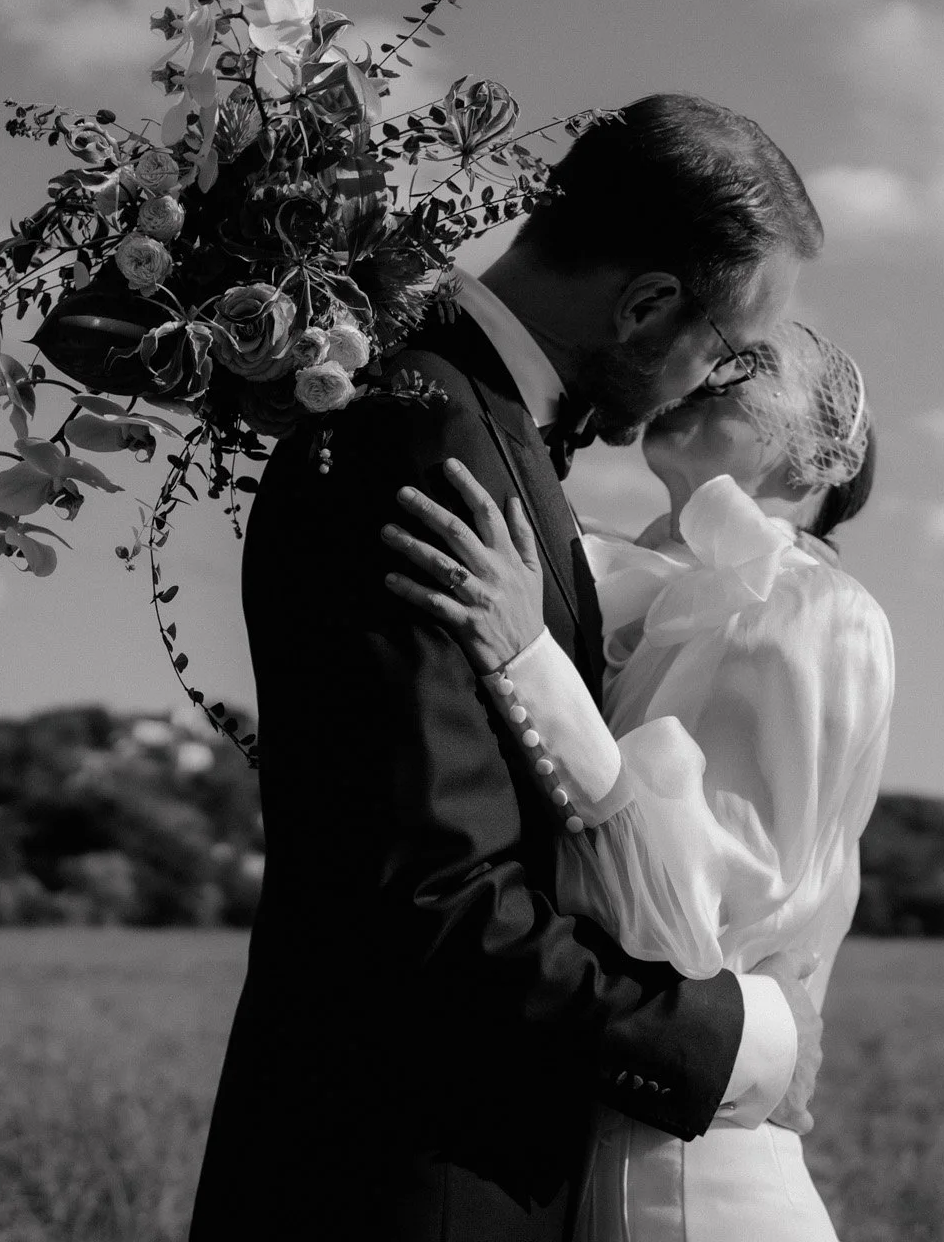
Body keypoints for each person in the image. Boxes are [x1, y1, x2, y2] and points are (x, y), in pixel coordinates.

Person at [189, 94, 830, 1241]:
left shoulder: (463, 422)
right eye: (727, 347)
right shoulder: (424, 443)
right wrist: (727, 1042)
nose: (712, 380)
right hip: (401, 1185)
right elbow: (431, 899)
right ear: (646, 304)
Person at [381, 323, 890, 1242]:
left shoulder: (811, 610)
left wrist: (525, 659)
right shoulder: (650, 595)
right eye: (720, 353)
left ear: (821, 457)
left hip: (701, 1185)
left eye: (754, 367)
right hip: (613, 1151)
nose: (714, 367)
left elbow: (688, 919)